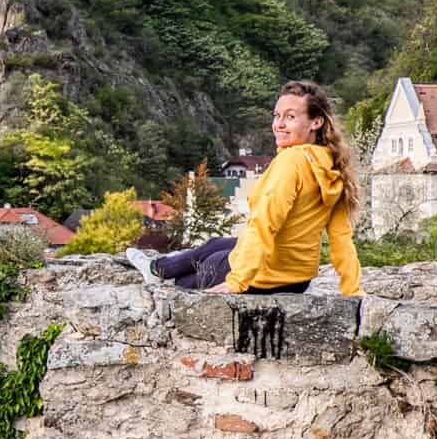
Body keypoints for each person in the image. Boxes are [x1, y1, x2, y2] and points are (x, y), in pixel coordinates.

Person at [127, 80, 364, 297]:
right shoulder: (331, 166)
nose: (279, 124)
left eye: (290, 117)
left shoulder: (291, 163)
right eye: (277, 116)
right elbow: (341, 237)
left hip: (263, 278)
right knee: (217, 244)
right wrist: (352, 290)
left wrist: (237, 281)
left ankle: (158, 275)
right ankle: (156, 268)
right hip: (297, 280)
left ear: (316, 122)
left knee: (189, 278)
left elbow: (264, 223)